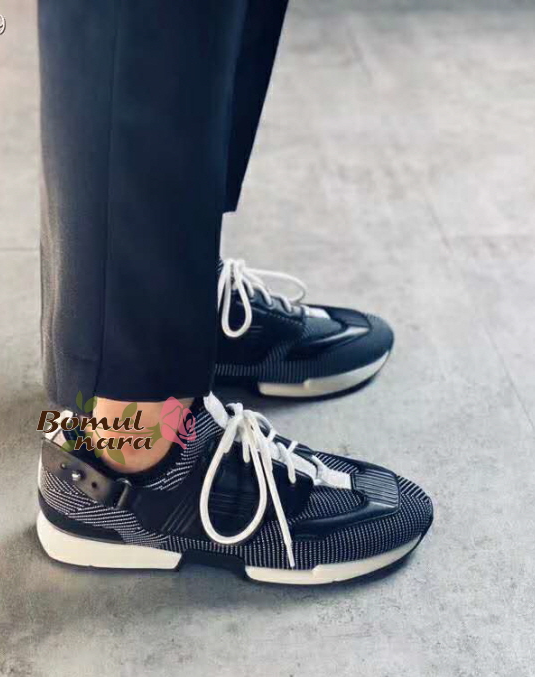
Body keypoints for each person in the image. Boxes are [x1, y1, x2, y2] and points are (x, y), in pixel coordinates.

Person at [36, 0, 433, 585]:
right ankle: (130, 444)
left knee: (208, 25)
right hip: (121, 455)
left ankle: (175, 301)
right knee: (147, 22)